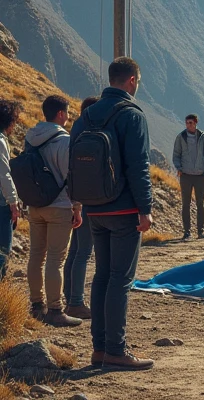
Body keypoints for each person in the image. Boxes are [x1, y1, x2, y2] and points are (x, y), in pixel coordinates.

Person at [70, 57, 154, 371]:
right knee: (121, 279)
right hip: (125, 209)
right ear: (132, 79)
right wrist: (145, 208)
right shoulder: (131, 114)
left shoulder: (86, 115)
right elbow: (138, 166)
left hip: (94, 209)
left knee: (102, 275)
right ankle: (116, 350)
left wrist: (78, 204)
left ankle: (99, 348)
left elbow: (73, 164)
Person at [25, 94, 83, 327]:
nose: (68, 117)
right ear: (60, 114)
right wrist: (77, 207)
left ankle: (37, 306)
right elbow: (72, 177)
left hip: (35, 205)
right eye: (67, 112)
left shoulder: (31, 138)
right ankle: (56, 310)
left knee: (36, 256)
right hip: (59, 206)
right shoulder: (65, 141)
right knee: (56, 260)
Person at [63, 96, 98, 317]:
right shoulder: (89, 138)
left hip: (69, 200)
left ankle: (70, 297)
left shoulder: (74, 134)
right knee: (83, 252)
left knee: (74, 251)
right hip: (84, 202)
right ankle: (76, 301)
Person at [172, 114, 204, 241]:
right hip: (185, 175)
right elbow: (176, 154)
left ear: (196, 123)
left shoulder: (203, 136)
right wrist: (179, 168)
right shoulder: (181, 137)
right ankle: (187, 232)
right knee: (186, 204)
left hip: (200, 175)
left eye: (191, 122)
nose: (188, 125)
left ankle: (200, 231)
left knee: (200, 204)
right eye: (187, 122)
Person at [0, 100, 20, 280]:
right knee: (3, 250)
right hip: (1, 204)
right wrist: (13, 202)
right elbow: (4, 173)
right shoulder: (0, 141)